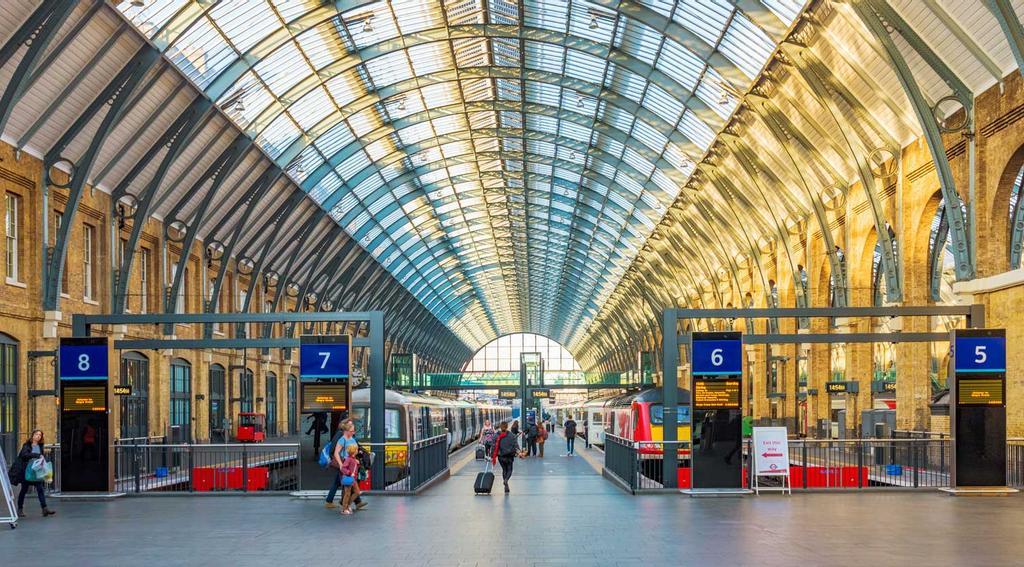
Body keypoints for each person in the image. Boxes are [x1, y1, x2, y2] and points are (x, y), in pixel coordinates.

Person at [325, 421, 366, 511]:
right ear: (346, 431)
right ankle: (345, 506)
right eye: (352, 431)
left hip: (352, 465)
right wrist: (340, 464)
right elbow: (336, 453)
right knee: (347, 488)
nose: (353, 432)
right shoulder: (342, 439)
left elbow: (354, 451)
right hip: (346, 464)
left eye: (354, 431)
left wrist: (355, 459)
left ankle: (346, 504)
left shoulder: (352, 439)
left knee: (353, 489)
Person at [16, 430, 55, 517]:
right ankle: (20, 509)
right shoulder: (27, 445)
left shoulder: (40, 446)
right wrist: (36, 455)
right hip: (27, 471)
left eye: (40, 435)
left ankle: (44, 509)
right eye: (36, 434)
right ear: (32, 435)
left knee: (40, 489)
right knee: (23, 490)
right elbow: (24, 455)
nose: (38, 436)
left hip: (37, 471)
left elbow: (40, 456)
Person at [491, 421, 519, 493]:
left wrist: (492, 455)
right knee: (509, 469)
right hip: (509, 456)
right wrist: (519, 452)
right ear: (507, 427)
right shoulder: (511, 435)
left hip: (501, 456)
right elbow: (516, 445)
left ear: (500, 427)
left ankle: (506, 485)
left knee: (504, 470)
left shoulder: (496, 435)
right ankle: (506, 480)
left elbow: (493, 446)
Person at [339, 443, 361, 515]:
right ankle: (344, 509)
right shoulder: (348, 459)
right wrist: (349, 473)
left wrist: (357, 464)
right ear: (354, 451)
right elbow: (343, 468)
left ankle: (347, 505)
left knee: (357, 492)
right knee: (347, 494)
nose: (357, 450)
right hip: (349, 478)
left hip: (353, 479)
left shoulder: (353, 459)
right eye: (356, 449)